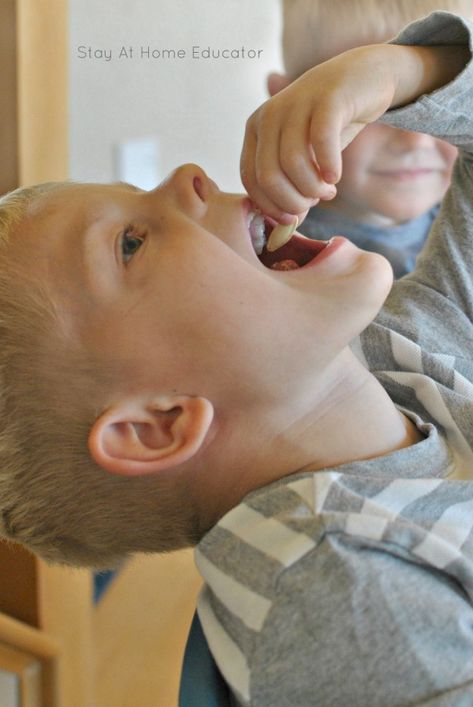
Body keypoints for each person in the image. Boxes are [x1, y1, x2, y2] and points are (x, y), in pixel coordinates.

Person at [0, 9, 473, 706]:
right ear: (157, 423)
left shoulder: (406, 357)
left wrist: (395, 70)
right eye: (130, 241)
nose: (190, 174)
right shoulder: (340, 590)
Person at [263, 0, 473, 276]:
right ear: (285, 102)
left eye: (440, 110)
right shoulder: (275, 264)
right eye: (377, 109)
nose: (415, 141)